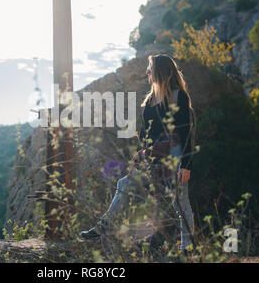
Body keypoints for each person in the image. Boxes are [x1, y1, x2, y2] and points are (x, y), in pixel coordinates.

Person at [80, 54, 195, 254]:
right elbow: (146, 134)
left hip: (175, 157)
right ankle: (103, 227)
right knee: (124, 184)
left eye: (150, 68)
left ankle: (188, 249)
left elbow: (186, 132)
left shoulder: (179, 96)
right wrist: (141, 152)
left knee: (180, 203)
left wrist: (186, 166)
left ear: (159, 70)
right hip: (153, 158)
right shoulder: (150, 99)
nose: (147, 72)